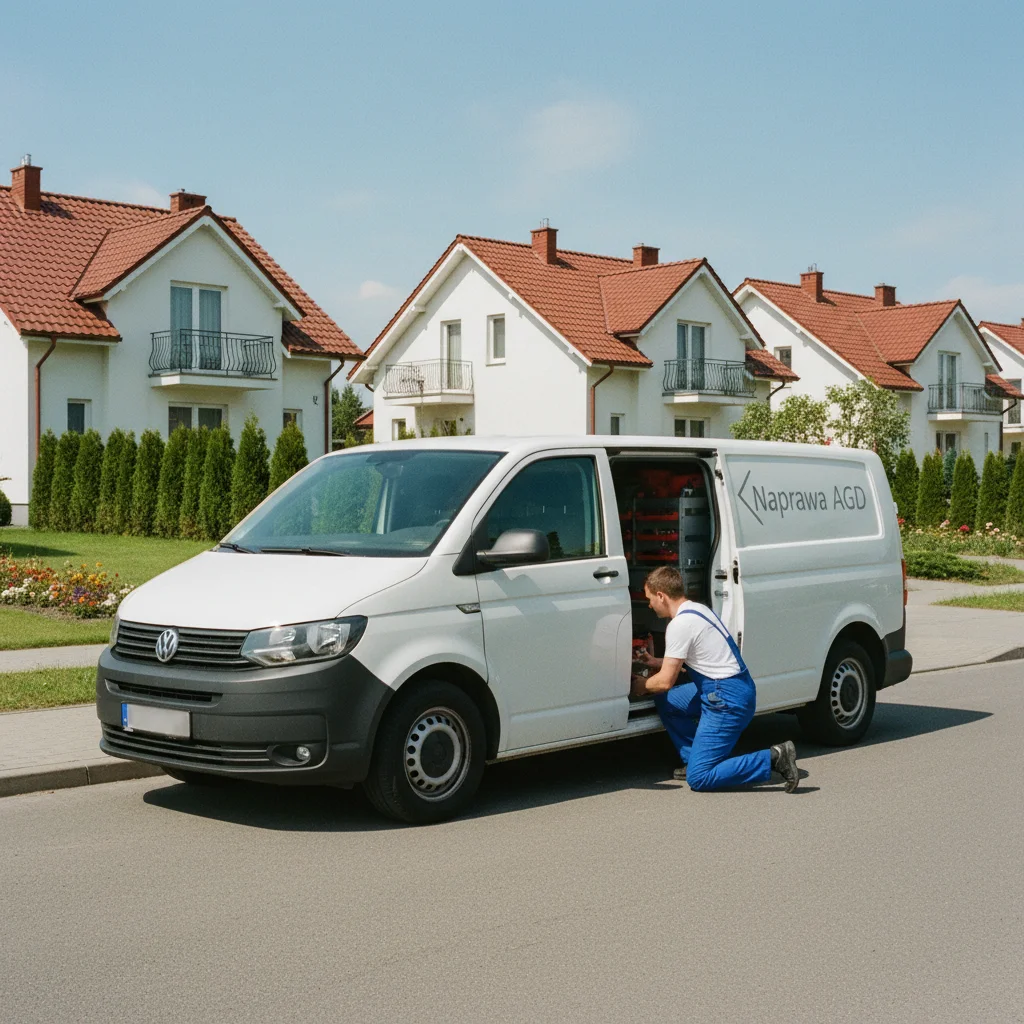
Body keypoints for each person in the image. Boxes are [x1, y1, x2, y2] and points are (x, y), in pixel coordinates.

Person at [631, 566, 800, 793]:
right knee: (667, 701)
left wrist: (639, 686)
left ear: (661, 595)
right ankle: (695, 758)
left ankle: (773, 757)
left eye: (650, 598)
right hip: (734, 688)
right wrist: (655, 662)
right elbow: (694, 657)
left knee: (699, 778)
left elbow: (664, 682)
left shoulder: (678, 625)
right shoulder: (698, 610)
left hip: (726, 699)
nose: (649, 605)